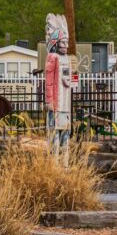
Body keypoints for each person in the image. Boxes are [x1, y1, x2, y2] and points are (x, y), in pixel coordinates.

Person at [44, 13, 72, 153]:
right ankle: (54, 163)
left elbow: (68, 80)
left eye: (67, 42)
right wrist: (49, 100)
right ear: (55, 42)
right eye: (63, 42)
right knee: (54, 135)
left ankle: (65, 162)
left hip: (66, 105)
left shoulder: (67, 58)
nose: (66, 46)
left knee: (66, 133)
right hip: (55, 105)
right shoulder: (52, 57)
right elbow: (49, 81)